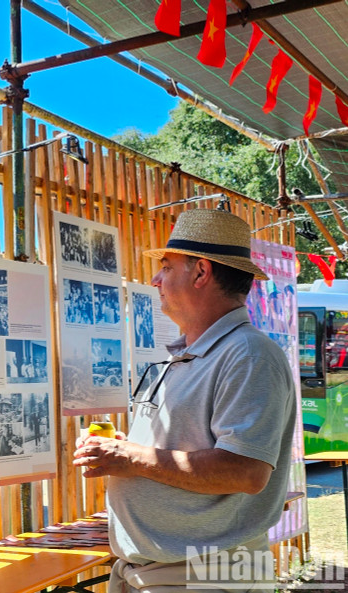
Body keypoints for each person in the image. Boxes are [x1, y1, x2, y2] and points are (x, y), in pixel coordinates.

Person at [73, 209, 296, 593]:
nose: (154, 279)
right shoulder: (188, 355)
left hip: (205, 576)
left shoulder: (249, 354)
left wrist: (129, 457)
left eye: (166, 266)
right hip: (165, 571)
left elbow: (246, 471)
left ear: (201, 272)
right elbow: (176, 449)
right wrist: (121, 449)